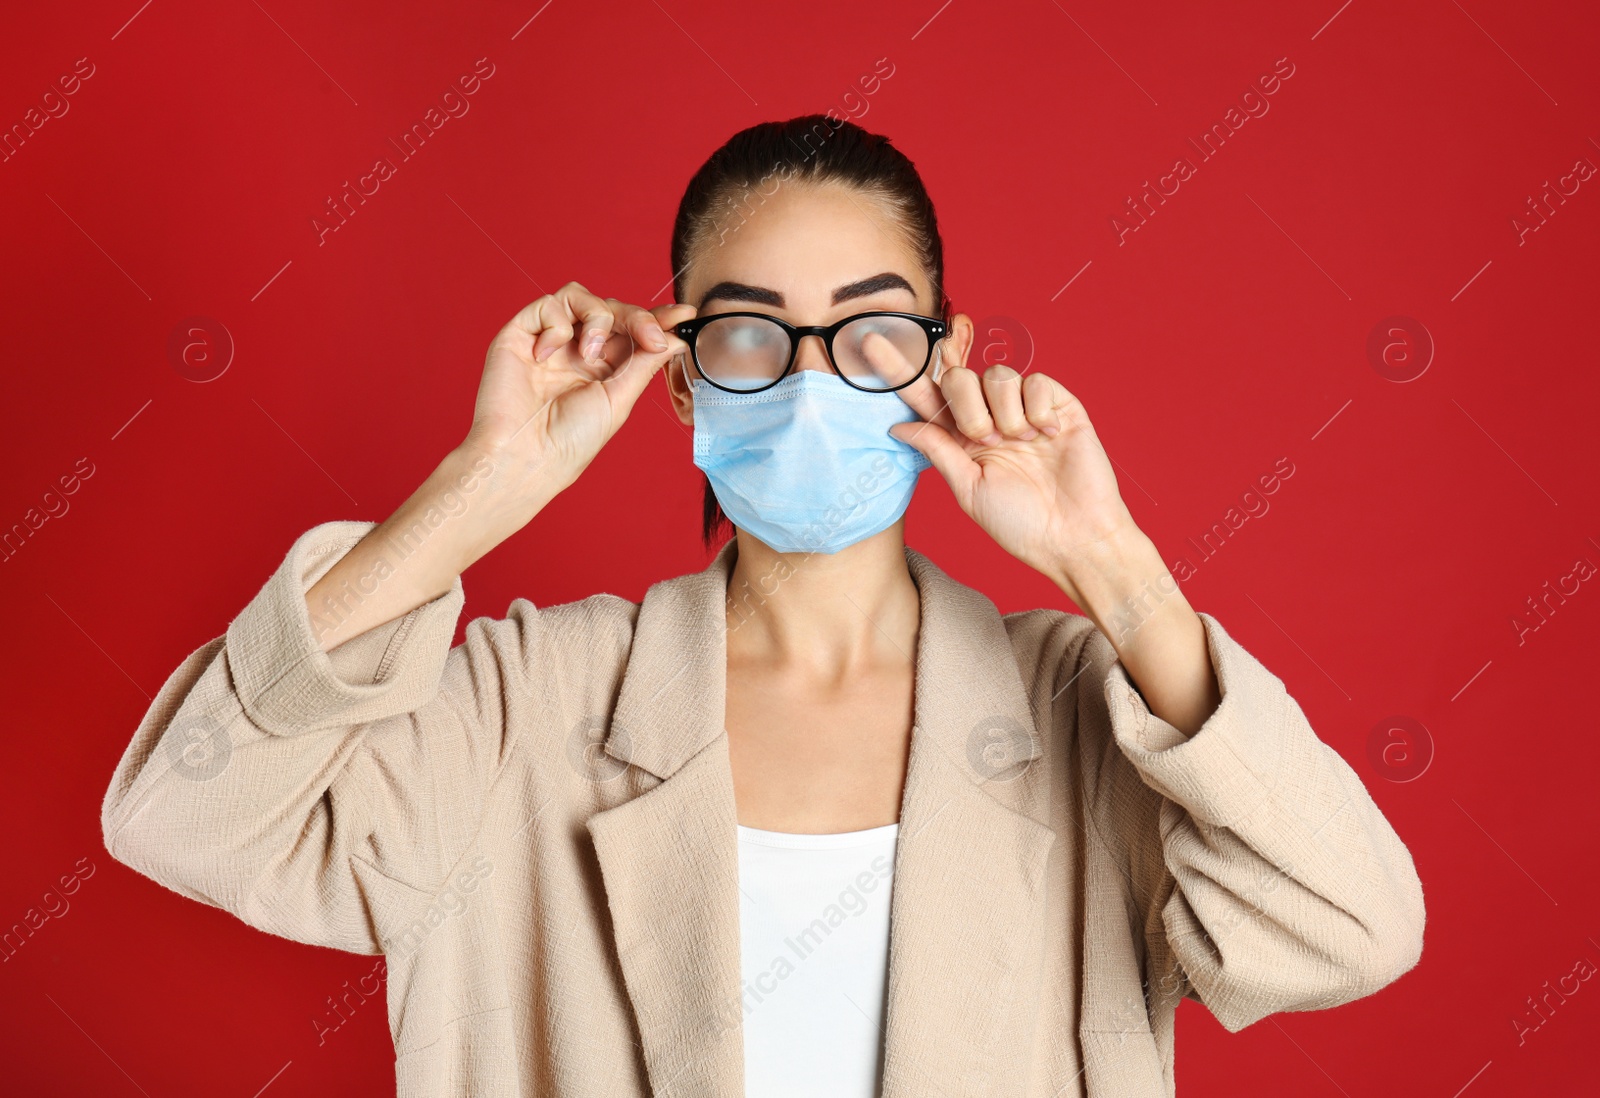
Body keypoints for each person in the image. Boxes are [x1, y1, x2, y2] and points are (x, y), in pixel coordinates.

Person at [101, 115, 1425, 1097]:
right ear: (679, 379)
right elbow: (184, 810)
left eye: (870, 332)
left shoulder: (1081, 707)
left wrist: (1117, 568)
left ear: (946, 361)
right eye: (746, 332)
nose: (808, 385)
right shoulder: (525, 705)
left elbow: (1347, 927)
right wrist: (475, 490)